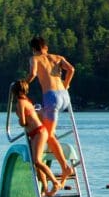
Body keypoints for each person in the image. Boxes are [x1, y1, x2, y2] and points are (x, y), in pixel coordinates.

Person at [25, 36, 76, 182]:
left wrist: (24, 85)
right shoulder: (57, 57)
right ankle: (45, 143)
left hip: (51, 97)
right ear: (45, 47)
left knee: (49, 134)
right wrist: (66, 84)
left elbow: (33, 74)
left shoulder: (34, 58)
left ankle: (65, 167)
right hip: (64, 96)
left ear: (34, 49)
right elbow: (71, 69)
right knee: (43, 120)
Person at [11, 80, 63, 197]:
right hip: (36, 133)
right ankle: (45, 188)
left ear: (15, 92)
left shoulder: (20, 102)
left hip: (38, 132)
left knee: (37, 161)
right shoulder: (27, 101)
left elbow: (23, 122)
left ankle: (55, 182)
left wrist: (19, 118)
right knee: (36, 163)